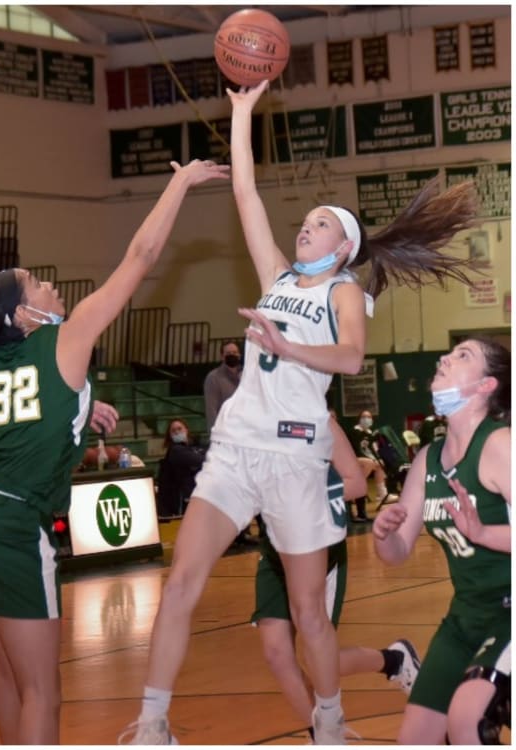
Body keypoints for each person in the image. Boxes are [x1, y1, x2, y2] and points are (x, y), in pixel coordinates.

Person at [123, 78, 480, 745]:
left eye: (318, 223)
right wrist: (240, 111)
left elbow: (349, 359)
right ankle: (151, 724)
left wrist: (286, 345)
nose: (304, 226)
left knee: (309, 612)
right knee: (181, 586)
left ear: (341, 246)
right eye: (305, 220)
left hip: (294, 455)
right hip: (237, 449)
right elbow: (244, 194)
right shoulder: (278, 278)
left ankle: (331, 722)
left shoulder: (345, 292)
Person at [0, 158, 229, 744]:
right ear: (24, 314)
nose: (48, 282)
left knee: (8, 672)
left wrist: (80, 420)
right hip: (12, 522)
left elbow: (31, 424)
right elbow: (141, 258)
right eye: (35, 282)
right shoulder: (65, 336)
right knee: (43, 691)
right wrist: (180, 182)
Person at [372, 338, 509, 744]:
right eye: (450, 353)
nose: (446, 358)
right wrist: (384, 532)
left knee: (466, 719)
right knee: (414, 738)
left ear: (487, 386)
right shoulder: (427, 459)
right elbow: (396, 554)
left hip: (509, 612)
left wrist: (482, 532)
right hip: (463, 618)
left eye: (464, 355)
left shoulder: (500, 445)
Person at [254, 412, 422, 740]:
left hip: (318, 543)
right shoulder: (250, 414)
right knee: (276, 653)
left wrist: (300, 498)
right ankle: (323, 735)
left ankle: (392, 660)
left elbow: (356, 483)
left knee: (318, 661)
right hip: (276, 544)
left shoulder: (317, 417)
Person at [155, 418, 204, 519]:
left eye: (179, 428)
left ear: (186, 430)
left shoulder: (196, 446)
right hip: (183, 500)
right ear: (170, 435)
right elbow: (201, 460)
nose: (177, 432)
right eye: (173, 430)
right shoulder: (175, 451)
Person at [351, 409, 387, 519]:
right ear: (359, 419)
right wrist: (372, 460)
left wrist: (379, 459)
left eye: (369, 417)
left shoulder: (370, 433)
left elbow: (373, 450)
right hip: (354, 458)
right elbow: (356, 449)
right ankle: (356, 487)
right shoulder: (355, 431)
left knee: (380, 464)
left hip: (367, 459)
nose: (367, 419)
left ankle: (382, 494)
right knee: (369, 463)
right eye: (364, 417)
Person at [204, 340, 242, 428]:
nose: (232, 355)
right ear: (222, 357)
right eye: (228, 353)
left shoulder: (245, 374)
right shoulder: (213, 377)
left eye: (235, 352)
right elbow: (211, 410)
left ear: (239, 355)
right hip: (225, 429)